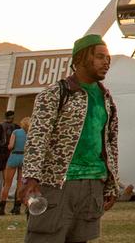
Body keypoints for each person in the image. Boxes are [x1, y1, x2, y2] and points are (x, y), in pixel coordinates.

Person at [19, 33, 120, 243]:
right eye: (100, 57)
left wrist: (111, 183)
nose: (106, 63)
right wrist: (31, 178)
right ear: (81, 59)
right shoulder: (56, 93)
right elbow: (38, 136)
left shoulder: (107, 98)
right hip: (57, 183)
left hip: (93, 184)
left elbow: (110, 142)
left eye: (108, 58)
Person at [0, 115, 28, 216]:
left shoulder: (16, 132)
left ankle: (2, 208)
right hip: (24, 157)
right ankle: (17, 207)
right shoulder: (30, 134)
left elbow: (10, 146)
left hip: (14, 155)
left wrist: (9, 147)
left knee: (7, 183)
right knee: (20, 183)